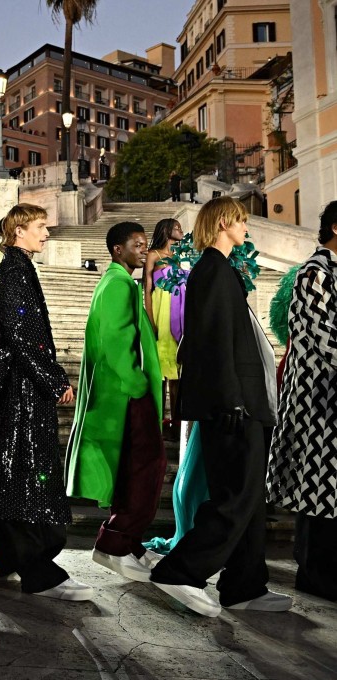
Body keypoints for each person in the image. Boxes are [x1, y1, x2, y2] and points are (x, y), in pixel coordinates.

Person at [149, 197, 292, 617]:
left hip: (245, 402)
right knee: (235, 497)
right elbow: (209, 341)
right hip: (234, 404)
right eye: (242, 221)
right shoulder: (212, 270)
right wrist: (231, 398)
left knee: (247, 499)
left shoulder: (222, 270)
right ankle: (179, 570)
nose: (247, 228)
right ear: (225, 222)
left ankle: (244, 586)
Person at [0, 203, 93, 601]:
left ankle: (2, 561)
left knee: (7, 475)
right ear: (18, 231)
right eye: (40, 227)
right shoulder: (16, 272)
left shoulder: (14, 270)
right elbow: (22, 336)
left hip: (9, 389)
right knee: (22, 474)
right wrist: (55, 381)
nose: (47, 234)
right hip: (17, 392)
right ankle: (38, 570)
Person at [66, 222, 166, 582]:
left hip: (123, 395)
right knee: (147, 468)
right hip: (125, 396)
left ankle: (129, 542)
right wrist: (137, 384)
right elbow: (116, 338)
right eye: (135, 245)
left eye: (144, 244)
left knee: (133, 470)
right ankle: (116, 542)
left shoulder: (118, 282)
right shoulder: (119, 284)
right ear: (116, 250)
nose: (143, 250)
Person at [267, 200, 337, 601]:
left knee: (328, 490)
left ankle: (322, 571)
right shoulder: (315, 271)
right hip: (316, 398)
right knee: (317, 489)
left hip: (328, 398)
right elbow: (318, 332)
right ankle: (314, 574)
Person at [143, 217, 186, 441]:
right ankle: (157, 424)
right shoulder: (153, 255)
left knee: (177, 373)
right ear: (167, 230)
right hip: (160, 311)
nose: (180, 230)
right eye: (176, 227)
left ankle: (178, 426)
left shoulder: (178, 258)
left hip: (178, 315)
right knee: (160, 373)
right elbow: (147, 290)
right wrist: (151, 321)